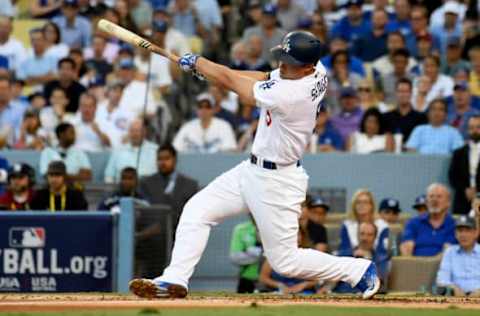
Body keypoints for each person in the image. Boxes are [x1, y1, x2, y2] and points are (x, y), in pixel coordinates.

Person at [129, 31, 381, 299]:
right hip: (251, 169)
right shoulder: (313, 69)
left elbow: (237, 85)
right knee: (197, 210)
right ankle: (174, 279)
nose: (282, 65)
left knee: (286, 261)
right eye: (283, 58)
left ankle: (359, 270)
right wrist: (207, 70)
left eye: (289, 62)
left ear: (306, 67)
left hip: (278, 181)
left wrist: (203, 65)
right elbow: (261, 77)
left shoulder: (293, 93)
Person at [139, 143, 199, 228]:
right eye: (159, 159)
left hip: (180, 234)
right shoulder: (146, 183)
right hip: (152, 236)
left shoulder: (190, 185)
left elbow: (193, 216)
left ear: (175, 160)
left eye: (167, 158)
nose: (163, 162)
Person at [400, 183, 456, 257]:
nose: (434, 199)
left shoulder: (453, 225)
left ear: (448, 203)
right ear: (426, 202)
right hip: (415, 265)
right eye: (431, 196)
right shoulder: (413, 223)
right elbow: (406, 250)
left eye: (439, 196)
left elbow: (447, 252)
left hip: (442, 266)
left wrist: (428, 265)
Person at [335, 222, 390, 294]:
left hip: (369, 297)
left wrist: (367, 258)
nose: (365, 238)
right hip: (343, 294)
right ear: (357, 235)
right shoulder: (344, 255)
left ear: (375, 237)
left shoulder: (382, 258)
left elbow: (379, 281)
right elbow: (333, 277)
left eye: (369, 235)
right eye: (362, 234)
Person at [172, 93, 237, 153]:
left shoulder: (224, 126)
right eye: (200, 106)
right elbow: (176, 149)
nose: (204, 110)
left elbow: (230, 150)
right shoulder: (187, 127)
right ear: (196, 109)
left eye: (207, 106)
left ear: (213, 109)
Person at [339, 189, 389, 262]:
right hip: (352, 262)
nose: (361, 205)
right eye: (358, 202)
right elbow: (344, 250)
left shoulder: (382, 225)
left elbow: (383, 252)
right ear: (354, 205)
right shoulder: (347, 225)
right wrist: (355, 253)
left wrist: (368, 254)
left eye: (365, 202)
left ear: (371, 205)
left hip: (376, 263)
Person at [436, 216, 480, 297]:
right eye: (460, 231)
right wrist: (453, 288)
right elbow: (442, 279)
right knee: (441, 290)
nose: (463, 235)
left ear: (476, 233)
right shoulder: (450, 252)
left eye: (467, 231)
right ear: (455, 234)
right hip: (455, 297)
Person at [104, 119, 158, 183]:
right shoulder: (118, 151)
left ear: (144, 132)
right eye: (132, 131)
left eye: (138, 131)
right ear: (128, 133)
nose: (135, 134)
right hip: (123, 189)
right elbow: (109, 175)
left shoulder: (155, 150)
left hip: (148, 189)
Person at [383, 78, 428, 150]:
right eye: (400, 91)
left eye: (406, 91)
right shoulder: (386, 117)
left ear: (411, 93)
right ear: (396, 93)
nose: (403, 94)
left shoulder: (421, 118)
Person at [449, 115, 480, 215]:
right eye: (471, 127)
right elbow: (453, 176)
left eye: (478, 127)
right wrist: (465, 189)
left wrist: (477, 191)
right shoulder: (459, 152)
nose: (474, 130)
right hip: (462, 200)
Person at [229, 215, 262, 293]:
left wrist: (251, 252)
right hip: (247, 279)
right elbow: (235, 257)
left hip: (271, 282)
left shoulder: (275, 229)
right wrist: (262, 256)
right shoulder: (241, 229)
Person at [95, 82, 132, 148]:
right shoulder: (97, 109)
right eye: (115, 91)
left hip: (118, 149)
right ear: (108, 92)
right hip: (98, 146)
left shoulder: (128, 112)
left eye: (120, 92)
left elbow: (130, 133)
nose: (118, 94)